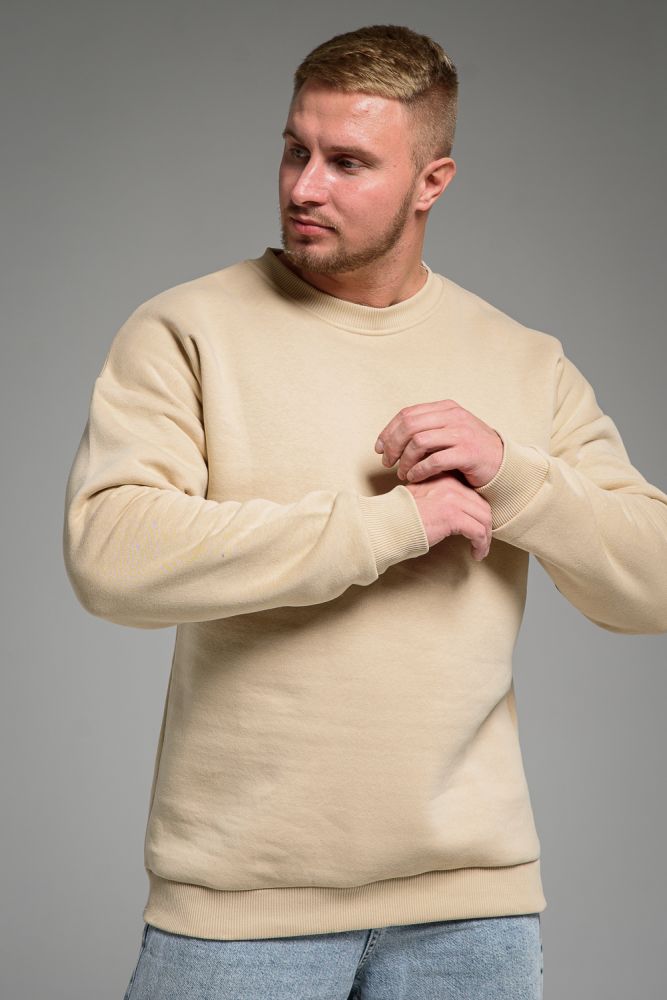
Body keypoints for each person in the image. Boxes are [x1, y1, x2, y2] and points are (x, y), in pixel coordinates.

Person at [62, 23, 667, 1000]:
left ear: (432, 181)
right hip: (239, 913)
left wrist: (512, 476)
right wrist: (390, 524)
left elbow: (653, 580)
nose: (304, 186)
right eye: (294, 150)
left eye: (346, 162)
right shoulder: (186, 329)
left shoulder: (523, 361)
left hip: (473, 913)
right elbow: (112, 553)